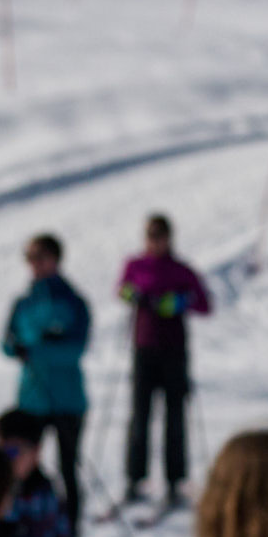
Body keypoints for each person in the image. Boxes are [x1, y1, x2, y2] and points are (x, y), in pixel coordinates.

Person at [0, 233, 92, 537]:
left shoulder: (74, 302)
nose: (34, 264)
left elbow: (75, 349)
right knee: (22, 472)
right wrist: (17, 349)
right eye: (29, 257)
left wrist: (36, 349)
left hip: (67, 400)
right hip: (32, 399)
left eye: (40, 257)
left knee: (68, 471)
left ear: (55, 259)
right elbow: (7, 343)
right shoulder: (22, 303)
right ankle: (25, 535)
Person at [116, 215, 208, 512]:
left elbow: (204, 303)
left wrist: (177, 303)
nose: (155, 241)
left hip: (174, 351)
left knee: (174, 416)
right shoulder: (135, 265)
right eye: (150, 235)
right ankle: (134, 478)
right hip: (143, 350)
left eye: (160, 236)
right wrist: (136, 296)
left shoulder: (181, 270)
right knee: (140, 415)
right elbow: (122, 289)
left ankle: (175, 480)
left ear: (169, 237)